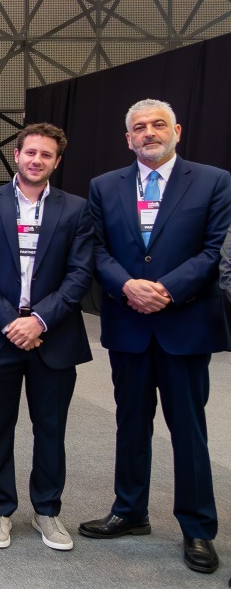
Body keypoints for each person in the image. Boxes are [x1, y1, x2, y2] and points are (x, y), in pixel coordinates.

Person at [85, 99, 231, 576]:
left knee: (188, 430)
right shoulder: (105, 186)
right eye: (139, 128)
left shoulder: (213, 181)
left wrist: (167, 289)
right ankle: (130, 511)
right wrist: (126, 285)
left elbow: (214, 250)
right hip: (128, 323)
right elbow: (96, 247)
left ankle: (198, 527)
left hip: (184, 324)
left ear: (178, 131)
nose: (149, 133)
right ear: (127, 138)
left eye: (158, 125)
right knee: (131, 423)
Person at [0, 122, 93, 551]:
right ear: (16, 155)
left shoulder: (76, 209)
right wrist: (11, 323)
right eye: (30, 152)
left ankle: (47, 511)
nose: (37, 160)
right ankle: (0, 509)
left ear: (57, 161)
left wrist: (38, 321)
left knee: (50, 430)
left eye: (47, 155)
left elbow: (79, 275)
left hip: (52, 338)